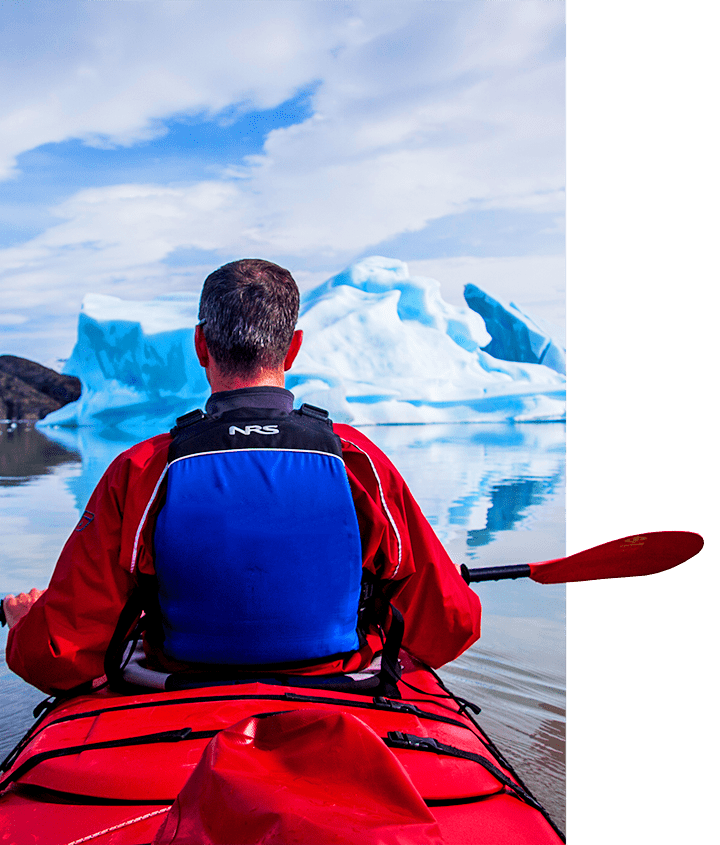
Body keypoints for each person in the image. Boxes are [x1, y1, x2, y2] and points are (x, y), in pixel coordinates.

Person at [4, 259, 481, 696]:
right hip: (338, 688)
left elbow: (56, 658)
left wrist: (27, 621)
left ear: (199, 345)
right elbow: (452, 623)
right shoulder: (359, 463)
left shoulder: (143, 469)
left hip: (176, 697)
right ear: (293, 348)